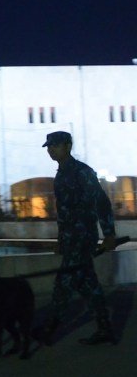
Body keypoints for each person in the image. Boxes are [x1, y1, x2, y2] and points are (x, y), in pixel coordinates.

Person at [32, 131, 119, 346]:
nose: (51, 150)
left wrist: (109, 234)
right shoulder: (61, 174)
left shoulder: (82, 172)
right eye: (48, 147)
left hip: (83, 237)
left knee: (64, 282)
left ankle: (49, 329)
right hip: (71, 238)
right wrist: (61, 239)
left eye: (55, 146)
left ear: (68, 146)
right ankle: (105, 328)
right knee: (87, 284)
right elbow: (64, 212)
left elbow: (101, 202)